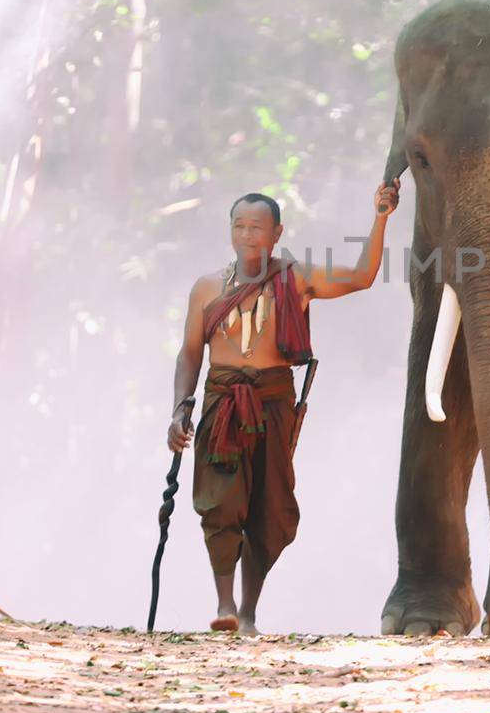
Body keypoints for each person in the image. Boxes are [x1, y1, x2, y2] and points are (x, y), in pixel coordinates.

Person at [167, 181, 399, 634]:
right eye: (239, 226)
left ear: (276, 234)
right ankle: (225, 605)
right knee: (220, 501)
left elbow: (362, 276)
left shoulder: (297, 278)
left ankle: (250, 610)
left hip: (274, 402)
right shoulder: (207, 288)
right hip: (222, 402)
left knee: (269, 510)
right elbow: (190, 353)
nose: (247, 235)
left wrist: (381, 217)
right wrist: (181, 409)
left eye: (257, 227)